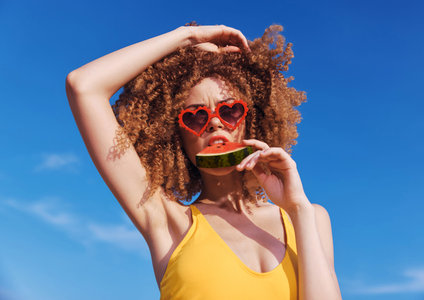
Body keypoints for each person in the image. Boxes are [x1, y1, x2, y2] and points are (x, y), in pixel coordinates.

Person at [66, 23, 342, 300]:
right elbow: (84, 86)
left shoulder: (309, 217)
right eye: (195, 117)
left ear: (248, 122)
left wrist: (298, 208)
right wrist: (187, 35)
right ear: (177, 138)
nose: (214, 122)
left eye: (230, 110)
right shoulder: (167, 219)